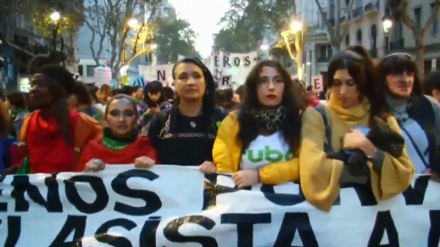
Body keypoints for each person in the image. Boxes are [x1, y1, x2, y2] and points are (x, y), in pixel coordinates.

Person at [301, 51, 413, 211]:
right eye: (337, 83)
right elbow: (313, 172)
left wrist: (369, 149)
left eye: (350, 83)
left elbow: (404, 171)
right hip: (330, 221)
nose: (342, 92)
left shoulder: (382, 117)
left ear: (362, 84)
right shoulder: (316, 116)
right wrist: (372, 172)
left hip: (373, 219)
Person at [212, 60, 309, 187]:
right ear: (254, 87)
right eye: (263, 81)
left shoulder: (300, 120)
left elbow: (306, 164)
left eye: (278, 80)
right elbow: (224, 169)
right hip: (245, 202)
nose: (271, 87)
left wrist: (260, 175)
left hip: (291, 204)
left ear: (285, 86)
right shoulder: (233, 122)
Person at [15, 65, 102, 174]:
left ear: (60, 89)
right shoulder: (27, 122)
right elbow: (26, 162)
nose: (33, 90)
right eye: (32, 84)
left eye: (41, 84)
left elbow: (102, 159)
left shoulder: (87, 126)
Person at [148, 57, 227, 169]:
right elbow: (150, 155)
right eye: (183, 77)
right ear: (174, 83)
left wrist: (217, 165)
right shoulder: (161, 120)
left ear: (205, 81)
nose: (190, 82)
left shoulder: (223, 118)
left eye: (197, 76)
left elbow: (234, 157)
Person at [376, 53, 440, 181]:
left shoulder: (429, 105)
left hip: (430, 195)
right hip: (389, 195)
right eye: (396, 73)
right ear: (383, 78)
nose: (405, 80)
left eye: (410, 74)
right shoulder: (370, 110)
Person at [78, 94, 157, 171]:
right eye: (115, 114)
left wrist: (151, 167)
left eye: (128, 114)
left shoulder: (145, 147)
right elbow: (78, 181)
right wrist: (87, 171)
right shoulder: (92, 149)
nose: (121, 119)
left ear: (136, 117)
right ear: (106, 118)